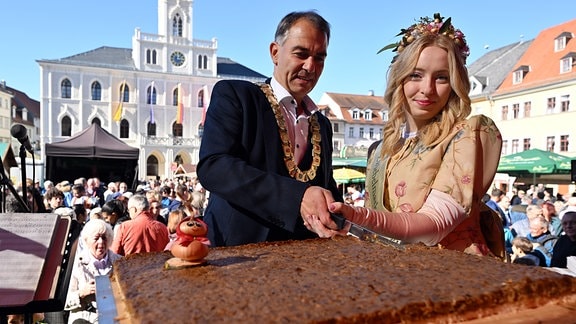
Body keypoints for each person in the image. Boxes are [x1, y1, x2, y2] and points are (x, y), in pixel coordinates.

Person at [319, 13, 505, 258]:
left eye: (441, 77)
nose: (427, 89)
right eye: (416, 75)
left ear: (455, 84)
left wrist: (358, 216)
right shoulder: (380, 149)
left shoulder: (468, 136)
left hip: (454, 274)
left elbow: (434, 226)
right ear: (400, 79)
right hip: (397, 274)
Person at [197, 11, 342, 247]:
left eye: (319, 58)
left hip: (303, 258)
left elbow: (325, 184)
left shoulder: (322, 124)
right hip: (238, 253)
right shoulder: (237, 96)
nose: (310, 66)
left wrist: (339, 211)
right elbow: (214, 166)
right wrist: (297, 197)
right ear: (275, 52)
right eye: (301, 54)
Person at [64, 219, 122, 323]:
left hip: (115, 318)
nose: (101, 242)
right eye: (96, 238)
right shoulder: (76, 264)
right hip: (84, 319)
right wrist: (81, 293)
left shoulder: (121, 262)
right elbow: (64, 302)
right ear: (86, 241)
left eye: (104, 238)